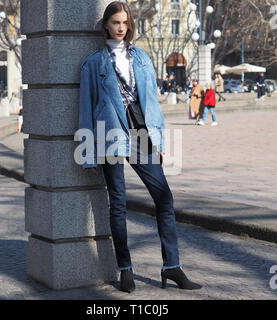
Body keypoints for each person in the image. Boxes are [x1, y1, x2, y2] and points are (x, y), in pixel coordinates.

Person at [78, 1, 202, 293]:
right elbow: (85, 108)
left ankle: (171, 267)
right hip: (109, 136)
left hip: (142, 134)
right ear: (106, 24)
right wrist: (87, 152)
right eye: (115, 22)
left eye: (125, 23)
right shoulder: (93, 63)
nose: (121, 28)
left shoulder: (143, 58)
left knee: (164, 198)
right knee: (118, 204)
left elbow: (152, 103)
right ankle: (125, 269)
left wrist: (157, 140)